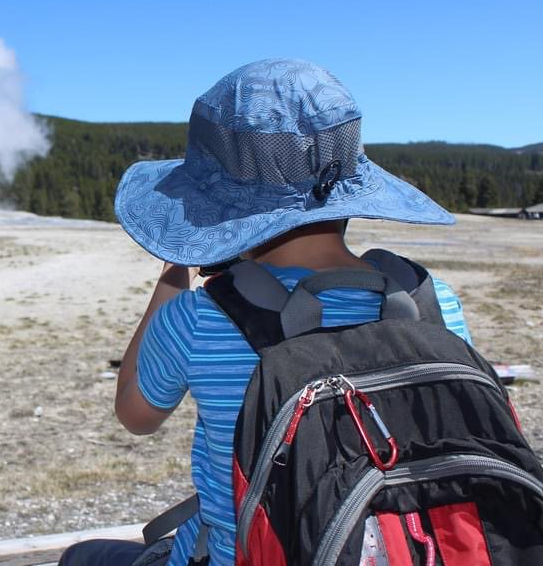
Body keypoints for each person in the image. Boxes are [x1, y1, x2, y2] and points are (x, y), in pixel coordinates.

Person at [58, 58, 472, 566]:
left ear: (218, 209)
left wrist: (174, 273)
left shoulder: (197, 317)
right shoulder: (434, 304)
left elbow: (134, 414)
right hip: (414, 550)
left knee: (83, 557)